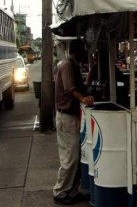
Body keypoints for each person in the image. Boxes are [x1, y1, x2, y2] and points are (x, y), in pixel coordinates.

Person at [53, 38, 94, 205]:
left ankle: (71, 189)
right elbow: (71, 89)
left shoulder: (71, 64)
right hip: (67, 116)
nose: (86, 53)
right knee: (70, 157)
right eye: (84, 50)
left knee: (75, 155)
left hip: (70, 115)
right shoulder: (67, 65)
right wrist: (83, 98)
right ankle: (60, 191)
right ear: (79, 51)